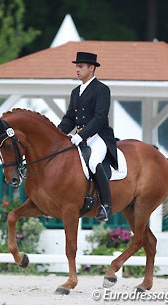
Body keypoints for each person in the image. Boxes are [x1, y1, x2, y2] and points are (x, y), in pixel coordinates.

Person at [58, 52, 118, 221]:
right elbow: (70, 118)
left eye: (80, 67)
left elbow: (100, 118)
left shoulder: (102, 89)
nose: (77, 70)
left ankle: (106, 206)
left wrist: (81, 136)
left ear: (91, 68)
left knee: (93, 162)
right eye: (76, 66)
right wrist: (57, 134)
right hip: (80, 136)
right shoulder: (76, 91)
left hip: (98, 136)